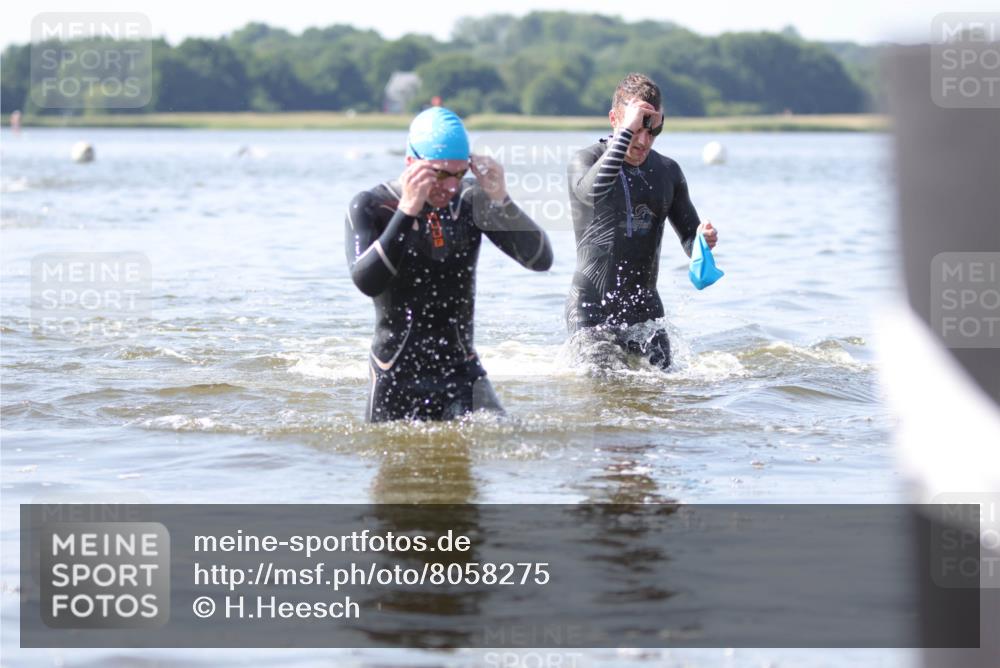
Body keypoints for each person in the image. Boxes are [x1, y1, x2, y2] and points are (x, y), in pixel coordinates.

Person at [346, 107, 553, 422]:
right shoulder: (372, 206)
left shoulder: (471, 201)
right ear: (411, 163)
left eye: (460, 173)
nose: (452, 186)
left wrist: (502, 201)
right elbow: (367, 281)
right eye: (441, 175)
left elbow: (540, 260)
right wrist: (407, 211)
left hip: (461, 371)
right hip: (396, 373)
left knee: (507, 437)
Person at [566, 73, 719, 369]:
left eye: (653, 130)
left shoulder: (667, 172)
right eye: (636, 129)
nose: (643, 141)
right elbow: (591, 193)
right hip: (591, 310)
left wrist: (703, 240)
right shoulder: (585, 161)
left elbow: (690, 239)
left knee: (665, 387)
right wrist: (625, 133)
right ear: (615, 119)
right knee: (603, 388)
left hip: (645, 313)